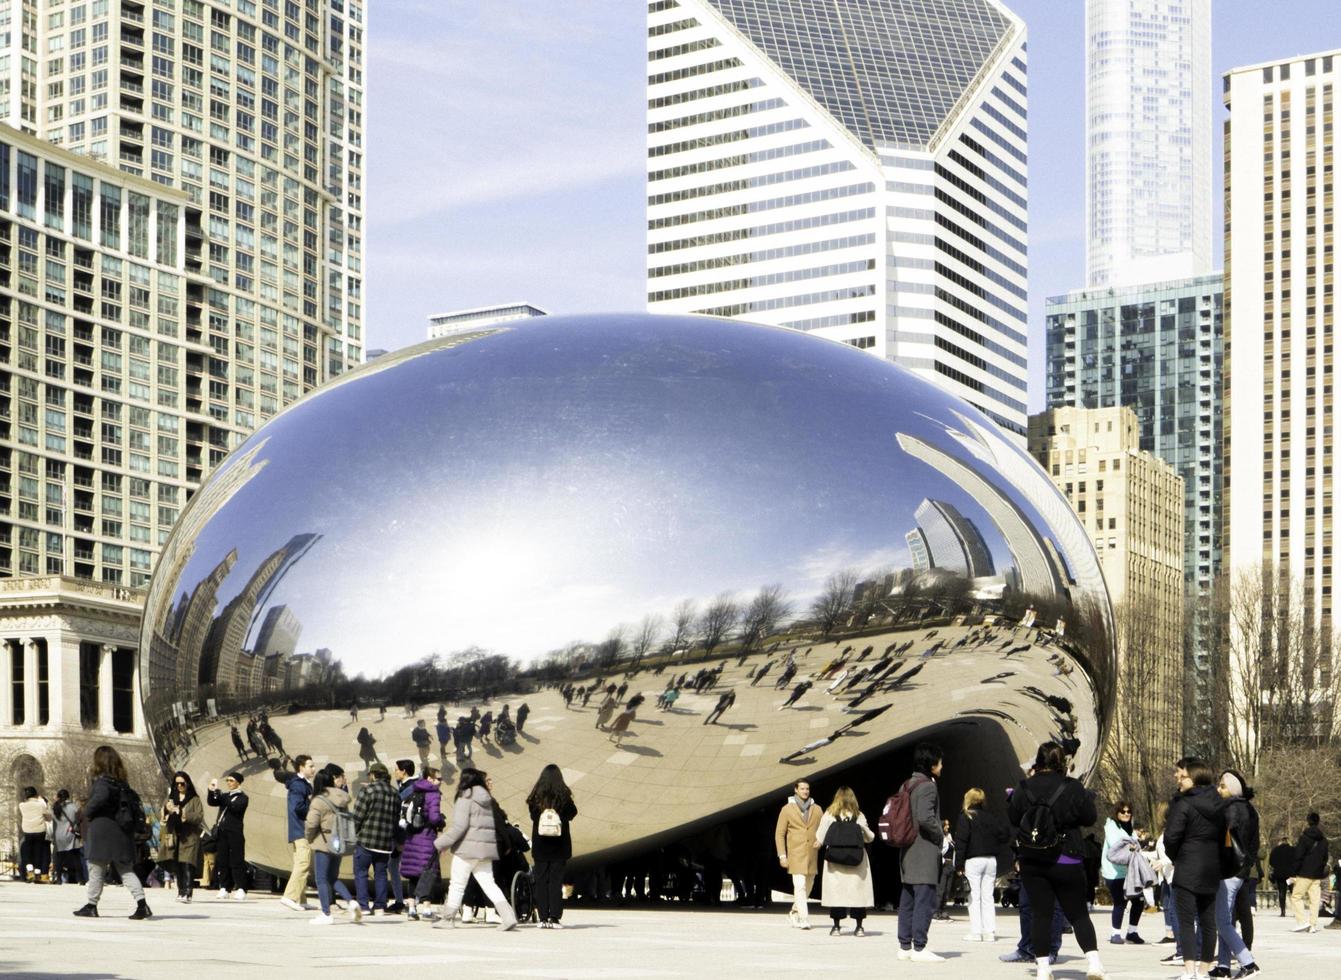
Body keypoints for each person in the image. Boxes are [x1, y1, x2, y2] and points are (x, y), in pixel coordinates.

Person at [1008, 741, 1107, 980]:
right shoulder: (1072, 787)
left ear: (1038, 761)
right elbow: (1089, 817)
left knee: (1041, 914)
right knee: (1078, 914)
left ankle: (1042, 968)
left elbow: (1013, 818)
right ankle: (1094, 964)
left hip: (1032, 859)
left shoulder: (1024, 787)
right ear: (1063, 762)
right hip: (1066, 856)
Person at [433, 767, 519, 930]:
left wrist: (441, 843)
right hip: (485, 850)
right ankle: (508, 916)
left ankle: (448, 918)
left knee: (457, 884)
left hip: (467, 849)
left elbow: (460, 826)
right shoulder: (486, 798)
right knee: (489, 884)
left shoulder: (466, 797)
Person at [72, 745, 151, 920]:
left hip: (103, 830)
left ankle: (91, 905)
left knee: (96, 868)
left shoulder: (102, 782)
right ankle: (142, 904)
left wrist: (86, 811)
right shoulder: (123, 784)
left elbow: (99, 798)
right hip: (121, 831)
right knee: (125, 869)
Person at [1164, 756, 1225, 980]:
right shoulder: (1220, 804)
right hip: (1211, 867)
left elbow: (1171, 837)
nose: (1178, 779)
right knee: (1209, 922)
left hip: (1188, 866)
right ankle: (1204, 971)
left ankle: (1189, 970)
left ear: (1194, 777)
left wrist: (1176, 857)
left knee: (1186, 921)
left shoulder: (1184, 803)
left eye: (1182, 775)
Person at [896, 742, 947, 962]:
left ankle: (904, 946)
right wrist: (940, 837)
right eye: (940, 762)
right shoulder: (928, 786)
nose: (942, 766)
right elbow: (926, 817)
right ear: (932, 764)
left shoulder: (907, 784)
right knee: (924, 899)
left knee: (907, 899)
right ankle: (919, 946)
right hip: (923, 849)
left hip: (907, 849)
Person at [1212, 769, 1261, 977]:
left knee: (1222, 921)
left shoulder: (1231, 809)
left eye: (1222, 786)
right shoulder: (1248, 808)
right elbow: (1253, 844)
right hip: (1239, 871)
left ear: (1231, 789)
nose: (1217, 789)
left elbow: (1228, 842)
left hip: (1230, 871)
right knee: (1226, 920)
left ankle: (1248, 963)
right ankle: (1223, 965)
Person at [304, 767, 362, 925]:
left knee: (321, 878)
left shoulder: (318, 800)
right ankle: (351, 902)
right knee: (332, 877)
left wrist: (309, 837)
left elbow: (311, 823)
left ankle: (326, 913)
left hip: (323, 841)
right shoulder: (342, 797)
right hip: (339, 841)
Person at [814, 786, 875, 936]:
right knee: (858, 894)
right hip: (856, 860)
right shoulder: (858, 815)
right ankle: (859, 927)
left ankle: (836, 927)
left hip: (835, 860)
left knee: (837, 894)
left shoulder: (829, 814)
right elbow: (870, 837)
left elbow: (819, 836)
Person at [954, 786, 1010, 942]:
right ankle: (990, 932)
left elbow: (961, 842)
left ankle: (976, 932)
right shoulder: (991, 817)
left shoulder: (966, 816)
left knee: (974, 896)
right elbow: (1005, 834)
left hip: (974, 860)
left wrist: (959, 864)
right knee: (988, 897)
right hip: (991, 860)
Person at [526, 763, 578, 928]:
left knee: (541, 881)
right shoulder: (563, 795)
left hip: (541, 844)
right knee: (556, 881)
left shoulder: (536, 796)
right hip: (559, 844)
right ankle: (554, 917)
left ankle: (542, 918)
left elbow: (533, 816)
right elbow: (572, 813)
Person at [774, 778, 822, 930]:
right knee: (800, 886)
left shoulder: (817, 809)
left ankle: (794, 912)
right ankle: (803, 918)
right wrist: (782, 855)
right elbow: (779, 834)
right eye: (802, 789)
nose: (805, 791)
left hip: (812, 854)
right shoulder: (787, 809)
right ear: (796, 790)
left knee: (808, 886)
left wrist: (820, 841)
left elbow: (823, 829)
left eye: (807, 789)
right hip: (795, 854)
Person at [352, 762, 399, 915]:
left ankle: (363, 906)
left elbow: (358, 816)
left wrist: (354, 834)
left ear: (372, 775)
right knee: (381, 874)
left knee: (361, 873)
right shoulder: (395, 793)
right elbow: (396, 818)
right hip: (385, 842)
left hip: (366, 840)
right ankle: (380, 906)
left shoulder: (367, 790)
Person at [399, 766, 445, 921]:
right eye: (438, 778)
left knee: (413, 875)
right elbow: (433, 818)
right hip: (426, 837)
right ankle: (426, 910)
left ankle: (412, 910)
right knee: (428, 873)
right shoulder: (433, 794)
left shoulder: (413, 789)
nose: (440, 781)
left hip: (411, 837)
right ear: (429, 779)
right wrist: (441, 821)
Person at [274, 754, 316, 911]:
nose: (313, 769)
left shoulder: (303, 784)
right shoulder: (299, 785)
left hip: (299, 829)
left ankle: (300, 899)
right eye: (310, 766)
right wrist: (313, 809)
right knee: (303, 863)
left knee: (301, 863)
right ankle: (290, 896)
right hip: (301, 829)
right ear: (301, 768)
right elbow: (298, 808)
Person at [1100, 800, 1145, 944]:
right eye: (1123, 812)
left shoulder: (1129, 827)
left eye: (1128, 812)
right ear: (1117, 813)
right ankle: (1115, 934)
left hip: (1129, 871)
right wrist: (1131, 845)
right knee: (1120, 901)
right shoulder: (1111, 826)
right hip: (1114, 872)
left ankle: (1132, 932)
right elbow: (1116, 846)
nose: (1126, 814)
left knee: (1138, 900)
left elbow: (1134, 845)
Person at [159, 771, 204, 903]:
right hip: (172, 835)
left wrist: (183, 813)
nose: (179, 786)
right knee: (177, 864)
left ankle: (188, 893)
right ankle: (180, 891)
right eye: (177, 783)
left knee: (187, 864)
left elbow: (199, 816)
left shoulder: (194, 799)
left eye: (182, 783)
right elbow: (162, 814)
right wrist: (167, 810)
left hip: (189, 836)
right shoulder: (170, 798)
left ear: (187, 784)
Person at [206, 771, 249, 901]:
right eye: (228, 781)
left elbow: (236, 808)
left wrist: (224, 798)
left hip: (235, 832)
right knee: (222, 860)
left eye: (231, 780)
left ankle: (241, 887)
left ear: (238, 783)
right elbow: (212, 802)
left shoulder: (243, 797)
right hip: (222, 832)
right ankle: (224, 887)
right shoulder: (225, 796)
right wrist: (211, 791)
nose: (229, 783)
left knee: (237, 860)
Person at [1291, 811, 1330, 933]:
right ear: (1318, 822)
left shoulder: (1304, 838)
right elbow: (1325, 858)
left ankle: (1302, 921)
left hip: (1304, 873)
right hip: (1317, 874)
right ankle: (1313, 925)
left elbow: (1298, 855)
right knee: (1314, 900)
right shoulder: (1324, 840)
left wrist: (1294, 871)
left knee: (1296, 896)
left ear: (1308, 821)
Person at [18, 787, 53, 883]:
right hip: (39, 830)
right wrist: (41, 800)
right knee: (38, 851)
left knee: (28, 852)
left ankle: (30, 872)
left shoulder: (21, 805)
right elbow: (48, 815)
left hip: (28, 830)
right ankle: (38, 873)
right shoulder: (40, 805)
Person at [52, 789, 86, 885]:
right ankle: (81, 879)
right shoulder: (73, 807)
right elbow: (78, 818)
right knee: (76, 857)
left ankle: (58, 878)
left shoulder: (55, 807)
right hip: (70, 834)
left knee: (59, 858)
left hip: (58, 835)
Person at [1268, 836, 1295, 917]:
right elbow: (1297, 860)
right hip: (1290, 875)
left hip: (1280, 875)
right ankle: (1296, 910)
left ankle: (1283, 911)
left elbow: (1271, 862)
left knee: (1281, 892)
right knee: (1293, 892)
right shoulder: (1293, 850)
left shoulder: (1276, 850)